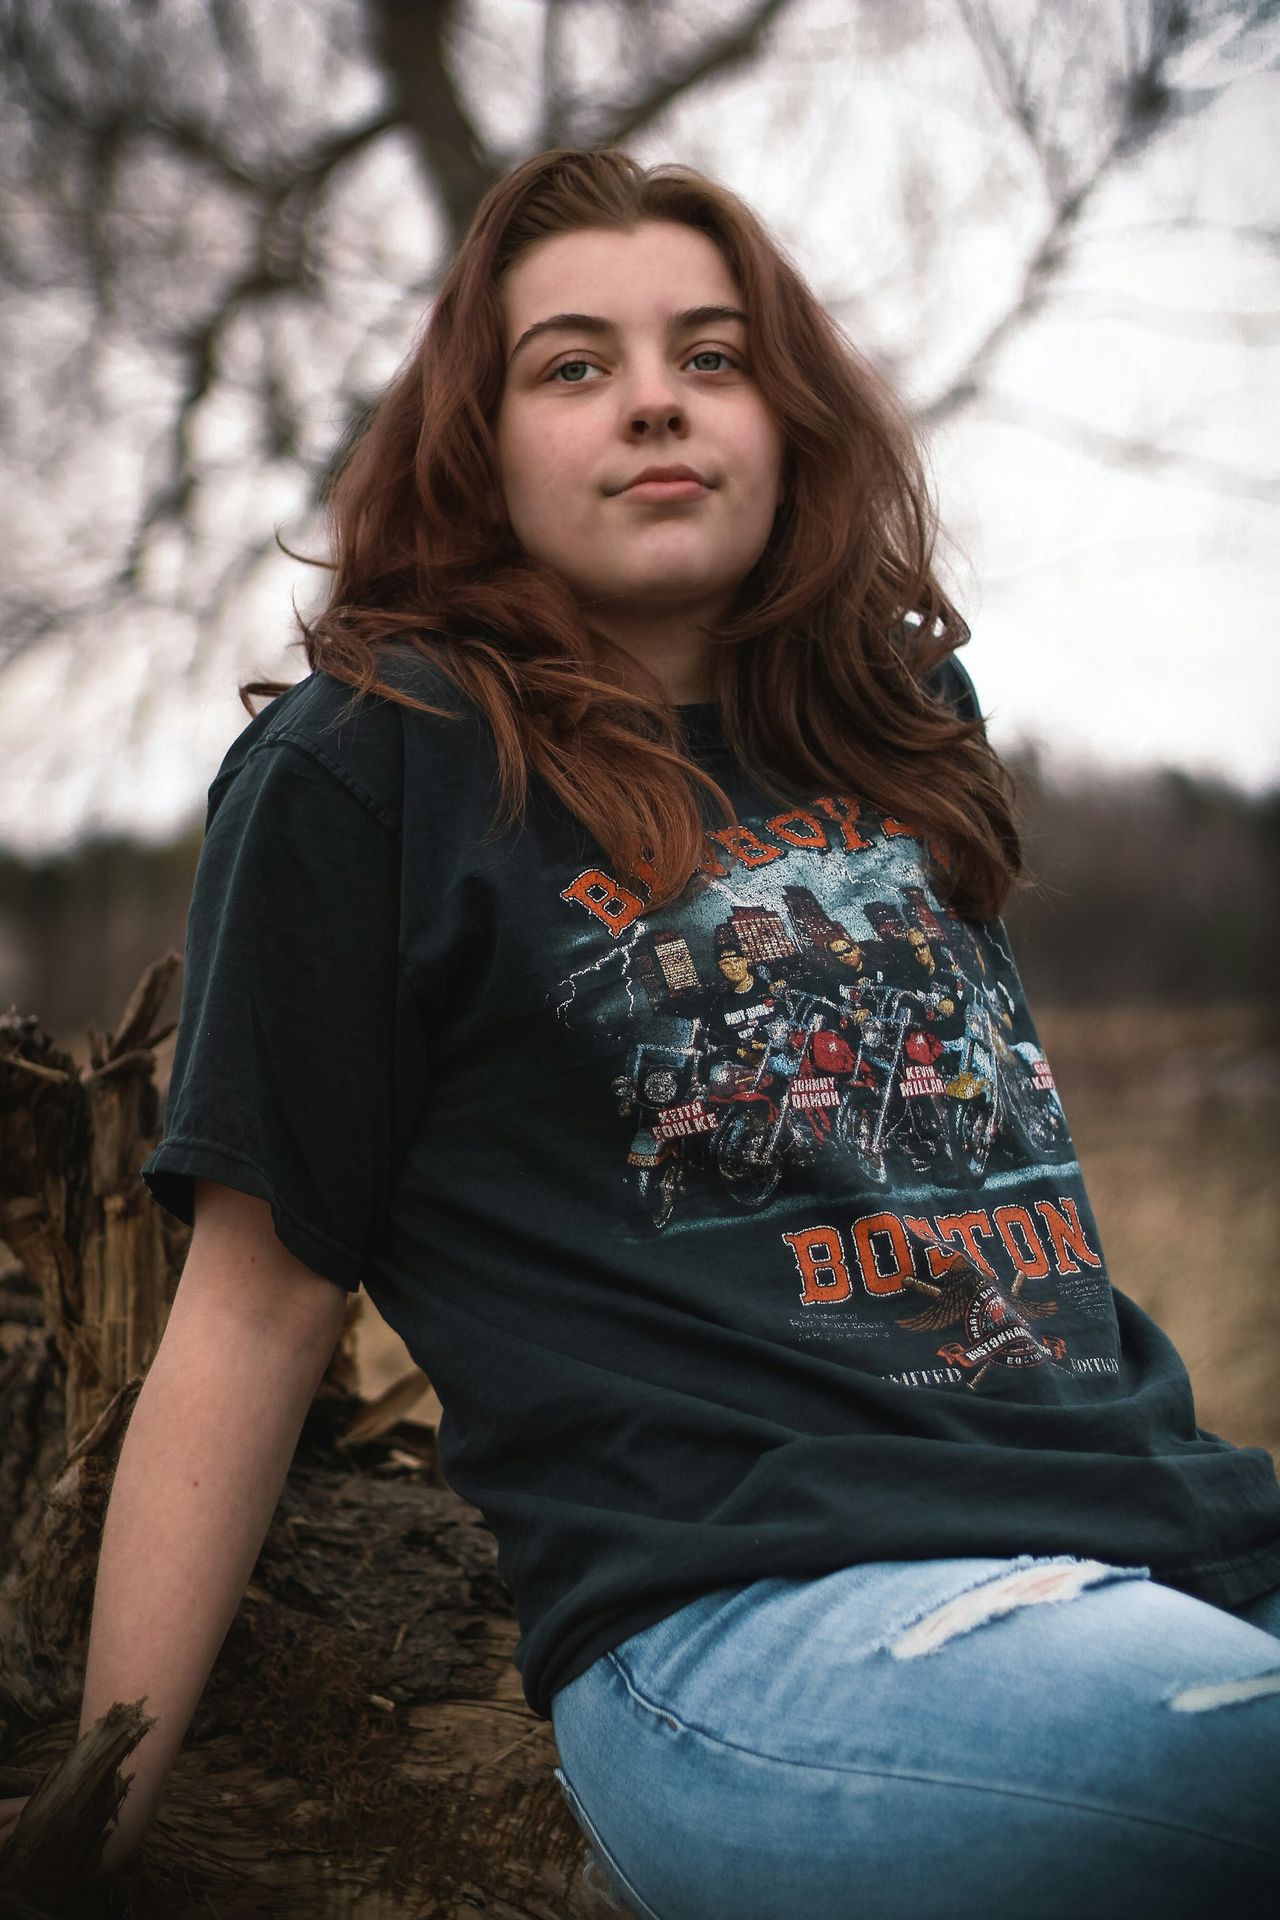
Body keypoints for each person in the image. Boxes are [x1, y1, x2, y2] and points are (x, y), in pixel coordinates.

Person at [4, 147, 1277, 1915]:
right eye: (575, 364)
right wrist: (95, 1826)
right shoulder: (374, 766)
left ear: (786, 411)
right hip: (764, 1634)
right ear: (484, 439)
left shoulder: (901, 721)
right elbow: (252, 1307)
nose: (655, 404)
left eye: (713, 354)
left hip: (1170, 1545)